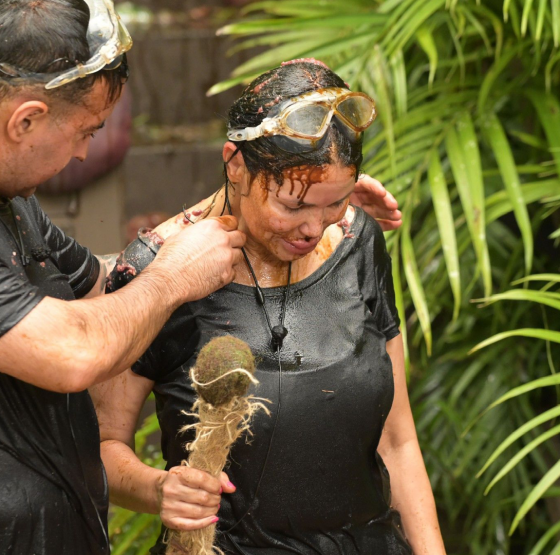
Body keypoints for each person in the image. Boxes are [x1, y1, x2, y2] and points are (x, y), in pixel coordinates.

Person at [93, 59, 446, 555]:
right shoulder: (159, 271)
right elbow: (101, 447)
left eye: (335, 202)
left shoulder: (357, 241)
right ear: (235, 164)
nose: (314, 227)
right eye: (294, 206)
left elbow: (399, 442)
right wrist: (159, 489)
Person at [0, 1, 246, 553]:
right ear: (27, 119)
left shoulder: (15, 204)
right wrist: (175, 279)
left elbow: (108, 282)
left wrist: (270, 208)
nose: (87, 151)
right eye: (85, 130)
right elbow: (71, 351)